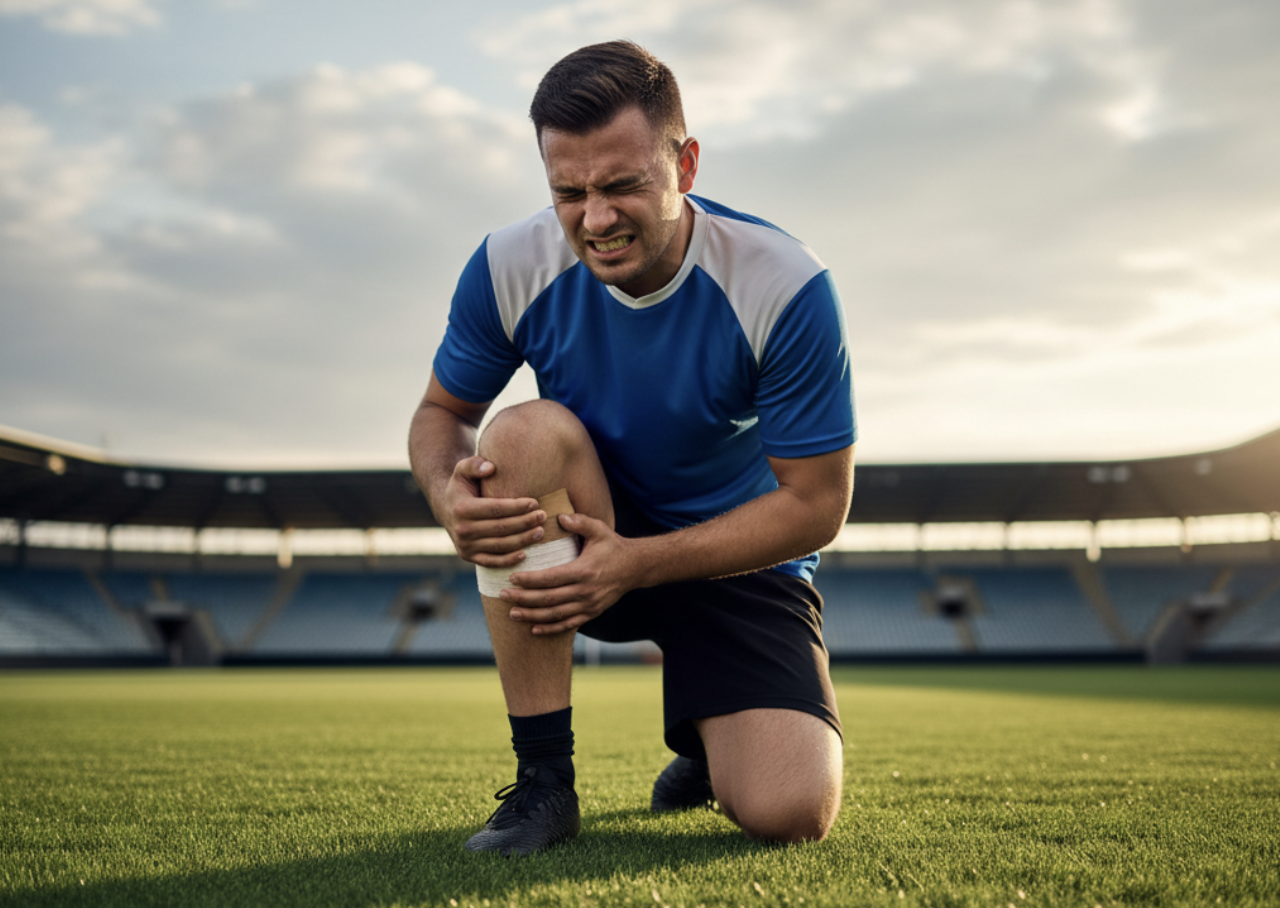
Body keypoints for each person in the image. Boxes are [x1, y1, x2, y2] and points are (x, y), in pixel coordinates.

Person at [408, 40, 856, 856]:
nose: (596, 217)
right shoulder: (509, 263)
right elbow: (443, 414)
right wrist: (446, 494)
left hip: (734, 557)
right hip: (588, 535)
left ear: (684, 163)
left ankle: (706, 745)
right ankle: (544, 783)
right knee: (521, 435)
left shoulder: (781, 283)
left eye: (622, 185)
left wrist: (641, 562)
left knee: (790, 812)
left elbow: (819, 504)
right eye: (569, 192)